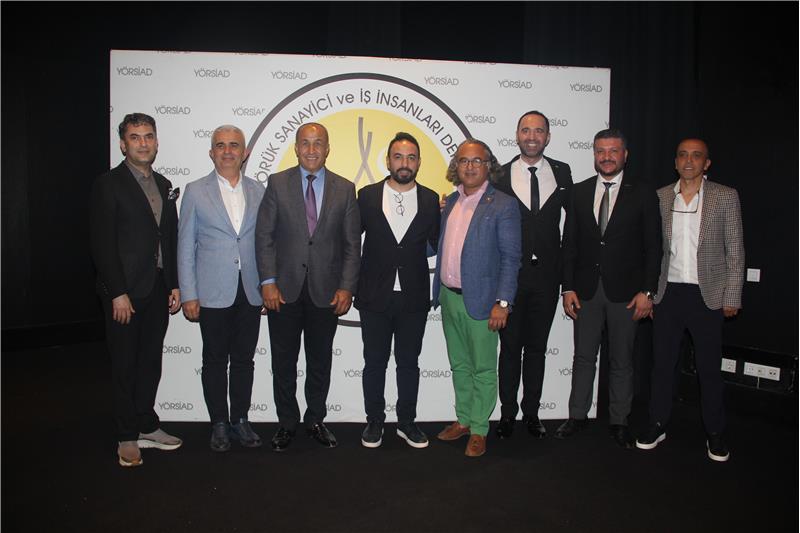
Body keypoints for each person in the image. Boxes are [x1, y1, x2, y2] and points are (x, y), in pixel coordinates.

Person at [255, 122, 361, 451]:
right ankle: (287, 422)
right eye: (305, 143)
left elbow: (351, 245)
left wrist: (347, 287)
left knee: (319, 361)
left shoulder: (345, 189)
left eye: (318, 143)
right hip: (282, 291)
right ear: (296, 148)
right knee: (283, 362)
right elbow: (264, 236)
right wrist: (268, 282)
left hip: (326, 292)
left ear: (327, 148)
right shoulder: (277, 183)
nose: (311, 149)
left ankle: (315, 419)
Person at [636, 138, 744, 462]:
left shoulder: (725, 196)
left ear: (706, 163)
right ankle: (657, 423)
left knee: (709, 369)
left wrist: (732, 295)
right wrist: (651, 294)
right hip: (668, 293)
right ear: (675, 162)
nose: (688, 160)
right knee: (662, 365)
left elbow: (735, 250)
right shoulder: (660, 197)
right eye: (683, 155)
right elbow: (652, 251)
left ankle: (715, 432)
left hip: (707, 295)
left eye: (696, 156)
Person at [558, 128, 662, 448]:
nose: (606, 157)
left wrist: (648, 291)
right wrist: (567, 287)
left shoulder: (643, 193)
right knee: (583, 357)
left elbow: (654, 246)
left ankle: (619, 421)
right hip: (586, 291)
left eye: (613, 151)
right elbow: (569, 244)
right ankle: (577, 416)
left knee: (621, 360)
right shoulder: (579, 191)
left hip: (627, 294)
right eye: (600, 151)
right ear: (594, 154)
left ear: (625, 155)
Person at [90, 113, 182, 467]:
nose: (143, 143)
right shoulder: (108, 184)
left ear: (156, 142)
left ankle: (146, 424)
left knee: (150, 362)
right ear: (123, 144)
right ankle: (126, 434)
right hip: (124, 293)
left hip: (157, 288)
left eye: (148, 136)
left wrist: (174, 283)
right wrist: (117, 291)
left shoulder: (163, 183)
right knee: (124, 364)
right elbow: (101, 243)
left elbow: (168, 237)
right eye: (135, 137)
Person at [177, 125, 266, 452]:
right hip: (211, 291)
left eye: (234, 145)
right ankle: (218, 423)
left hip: (250, 290)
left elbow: (265, 243)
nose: (228, 151)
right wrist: (189, 293)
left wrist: (267, 285)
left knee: (244, 360)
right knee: (214, 359)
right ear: (211, 152)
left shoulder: (258, 190)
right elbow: (185, 246)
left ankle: (240, 419)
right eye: (221, 145)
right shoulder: (195, 191)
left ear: (245, 153)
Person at [432, 139, 521, 457]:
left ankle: (480, 429)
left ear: (488, 166)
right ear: (456, 166)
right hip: (448, 297)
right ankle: (464, 420)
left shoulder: (503, 205)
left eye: (476, 161)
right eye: (463, 160)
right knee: (459, 365)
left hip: (484, 301)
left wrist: (503, 302)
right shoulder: (450, 202)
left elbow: (511, 258)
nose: (469, 166)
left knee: (483, 368)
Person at [355, 132, 441, 449]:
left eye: (411, 157)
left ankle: (406, 422)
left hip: (413, 297)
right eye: (398, 156)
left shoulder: (431, 200)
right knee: (374, 362)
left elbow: (436, 244)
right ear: (388, 160)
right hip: (374, 295)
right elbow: (350, 242)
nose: (405, 163)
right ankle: (375, 421)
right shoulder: (366, 196)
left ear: (418, 162)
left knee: (409, 363)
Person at [494, 110, 573, 439]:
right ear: (517, 135)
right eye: (526, 130)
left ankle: (532, 413)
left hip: (547, 278)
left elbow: (575, 225)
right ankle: (507, 414)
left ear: (548, 137)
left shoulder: (562, 171)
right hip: (511, 277)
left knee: (537, 348)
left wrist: (569, 282)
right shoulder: (499, 174)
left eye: (538, 130)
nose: (532, 136)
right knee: (510, 349)